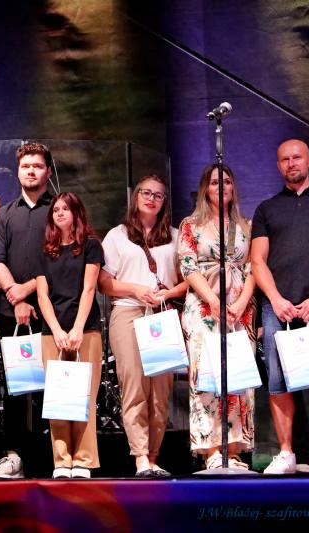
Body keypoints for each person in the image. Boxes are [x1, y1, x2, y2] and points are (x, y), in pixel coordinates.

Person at [251, 139, 309, 474]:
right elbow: (257, 261)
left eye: (297, 157)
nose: (291, 163)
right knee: (278, 381)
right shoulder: (266, 209)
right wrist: (276, 300)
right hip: (277, 308)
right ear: (278, 165)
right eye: (284, 159)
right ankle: (287, 452)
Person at [99, 174, 187, 478]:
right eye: (146, 193)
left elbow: (189, 279)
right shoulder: (117, 235)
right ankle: (139, 457)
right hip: (128, 312)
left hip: (162, 315)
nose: (151, 199)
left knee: (161, 391)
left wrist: (168, 294)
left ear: (164, 202)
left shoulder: (175, 236)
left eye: (158, 195)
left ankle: (154, 456)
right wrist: (136, 289)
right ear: (136, 196)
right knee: (135, 385)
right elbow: (104, 282)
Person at [178, 164, 256, 470]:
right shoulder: (191, 224)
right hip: (204, 308)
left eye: (226, 181)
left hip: (240, 311)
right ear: (205, 189)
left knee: (238, 378)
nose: (221, 186)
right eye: (214, 182)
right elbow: (188, 266)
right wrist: (214, 301)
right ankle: (212, 450)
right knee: (207, 377)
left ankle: (233, 450)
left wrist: (241, 303)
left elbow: (254, 268)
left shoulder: (246, 226)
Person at [0, 142, 54, 479]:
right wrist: (16, 296)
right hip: (10, 312)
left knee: (49, 387)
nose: (31, 171)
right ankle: (13, 456)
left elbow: (62, 257)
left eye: (37, 166)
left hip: (51, 312)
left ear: (47, 171)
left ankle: (51, 457)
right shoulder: (5, 214)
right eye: (26, 166)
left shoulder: (59, 209)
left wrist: (27, 290)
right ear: (17, 171)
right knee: (15, 386)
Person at [36, 192, 103, 479]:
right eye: (56, 210)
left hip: (85, 329)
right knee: (58, 398)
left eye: (65, 209)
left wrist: (76, 328)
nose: (60, 213)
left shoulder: (91, 246)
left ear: (77, 213)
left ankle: (83, 461)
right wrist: (56, 330)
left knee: (85, 396)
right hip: (52, 332)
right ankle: (62, 461)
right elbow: (42, 295)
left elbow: (89, 289)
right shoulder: (45, 250)